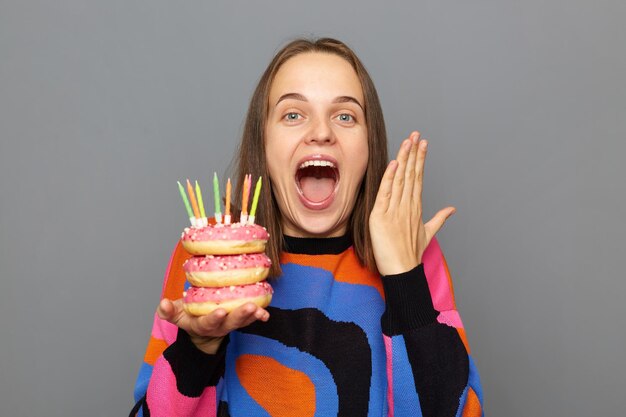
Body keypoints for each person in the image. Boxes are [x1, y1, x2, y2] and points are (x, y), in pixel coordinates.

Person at [131, 37, 483, 417]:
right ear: (263, 142)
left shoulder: (411, 251)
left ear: (369, 146)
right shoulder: (210, 257)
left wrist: (404, 278)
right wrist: (196, 349)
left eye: (345, 115)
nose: (321, 132)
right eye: (293, 114)